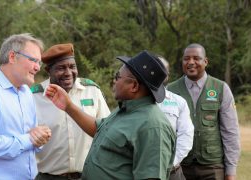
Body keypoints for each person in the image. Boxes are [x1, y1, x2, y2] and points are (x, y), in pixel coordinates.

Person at [45, 50, 176, 180]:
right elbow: (99, 129)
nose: (114, 81)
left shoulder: (153, 127)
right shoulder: (126, 109)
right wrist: (68, 106)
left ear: (134, 86)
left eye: (118, 76)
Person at [0, 33, 52, 180]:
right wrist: (29, 139)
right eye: (33, 60)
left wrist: (40, 137)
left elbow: (31, 136)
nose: (38, 67)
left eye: (39, 62)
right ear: (12, 57)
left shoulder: (26, 92)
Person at [32, 43, 111, 180]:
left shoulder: (92, 91)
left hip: (89, 176)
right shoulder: (34, 97)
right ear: (48, 70)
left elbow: (108, 132)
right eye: (61, 68)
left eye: (72, 67)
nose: (68, 73)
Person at [167, 43, 240, 180]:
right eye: (186, 59)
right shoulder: (170, 91)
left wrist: (231, 171)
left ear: (205, 61)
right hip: (180, 167)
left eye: (196, 58)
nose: (191, 62)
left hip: (212, 167)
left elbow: (230, 132)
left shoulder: (221, 88)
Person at [157, 56, 194, 180]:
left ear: (167, 75)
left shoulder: (179, 102)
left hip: (172, 172)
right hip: (140, 171)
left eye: (162, 70)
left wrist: (170, 163)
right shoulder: (133, 100)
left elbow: (186, 135)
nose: (157, 74)